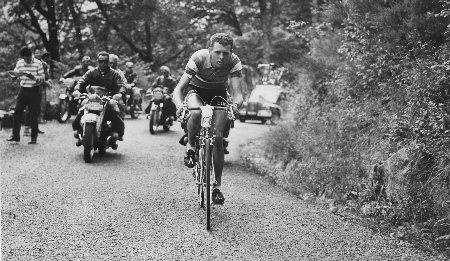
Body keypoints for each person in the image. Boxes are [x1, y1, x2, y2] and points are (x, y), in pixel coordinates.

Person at [172, 33, 243, 204]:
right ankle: (190, 147)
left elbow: (238, 94)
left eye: (226, 53)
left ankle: (217, 187)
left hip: (219, 93)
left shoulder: (234, 62)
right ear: (210, 50)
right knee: (195, 113)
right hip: (195, 90)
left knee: (218, 137)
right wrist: (180, 105)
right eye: (218, 52)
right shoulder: (198, 58)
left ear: (231, 52)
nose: (221, 57)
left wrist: (235, 106)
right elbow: (178, 89)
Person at [71, 51, 127, 147]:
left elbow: (121, 85)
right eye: (101, 61)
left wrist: (119, 94)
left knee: (114, 114)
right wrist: (77, 90)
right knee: (81, 111)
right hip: (93, 98)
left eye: (105, 61)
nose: (103, 63)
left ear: (108, 62)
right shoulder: (92, 72)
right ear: (98, 61)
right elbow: (82, 82)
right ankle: (79, 130)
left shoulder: (115, 74)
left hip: (108, 99)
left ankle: (118, 134)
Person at [6, 46, 45, 144]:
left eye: (27, 58)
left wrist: (33, 77)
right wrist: (14, 76)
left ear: (31, 55)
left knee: (33, 114)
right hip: (23, 90)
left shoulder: (38, 63)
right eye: (24, 58)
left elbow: (42, 79)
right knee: (17, 112)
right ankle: (15, 136)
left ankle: (33, 137)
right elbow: (15, 74)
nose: (26, 60)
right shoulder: (19, 63)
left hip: (34, 90)